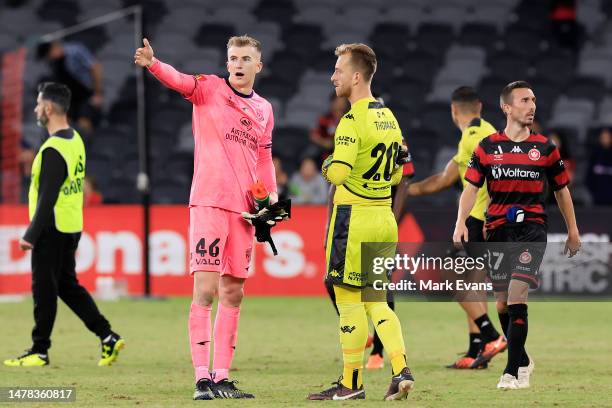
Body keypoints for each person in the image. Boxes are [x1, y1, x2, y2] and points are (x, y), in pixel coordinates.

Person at [135, 35, 281, 400]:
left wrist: (272, 198)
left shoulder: (264, 109)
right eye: (233, 57)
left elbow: (264, 157)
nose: (238, 64)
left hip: (246, 211)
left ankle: (223, 377)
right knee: (206, 290)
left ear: (258, 65)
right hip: (210, 203)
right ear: (227, 61)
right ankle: (202, 379)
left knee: (234, 292)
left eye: (246, 58)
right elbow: (178, 80)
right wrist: (154, 63)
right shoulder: (209, 89)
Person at [453, 81, 581, 389]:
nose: (532, 105)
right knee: (500, 303)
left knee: (516, 294)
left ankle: (512, 372)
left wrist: (573, 230)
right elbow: (470, 189)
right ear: (507, 107)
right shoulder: (487, 147)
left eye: (534, 99)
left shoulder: (546, 149)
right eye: (524, 100)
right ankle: (522, 357)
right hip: (497, 229)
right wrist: (459, 224)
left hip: (532, 229)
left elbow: (562, 192)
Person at [308, 43, 414, 401]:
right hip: (384, 217)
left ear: (356, 76)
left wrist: (327, 164)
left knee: (349, 301)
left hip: (353, 218)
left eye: (338, 70)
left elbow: (337, 174)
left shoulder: (351, 120)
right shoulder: (389, 116)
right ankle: (400, 369)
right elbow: (399, 171)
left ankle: (350, 384)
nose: (333, 76)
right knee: (378, 301)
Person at [4, 82, 123, 368]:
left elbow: (47, 197)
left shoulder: (53, 149)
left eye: (37, 104)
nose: (35, 109)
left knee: (43, 288)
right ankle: (107, 336)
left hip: (51, 228)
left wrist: (31, 234)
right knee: (67, 286)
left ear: (47, 108)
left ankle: (39, 350)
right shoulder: (74, 140)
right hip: (70, 225)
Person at [405, 87, 506, 369]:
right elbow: (443, 179)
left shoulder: (472, 138)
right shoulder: (488, 131)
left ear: (453, 110)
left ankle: (491, 335)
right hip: (490, 218)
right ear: (480, 107)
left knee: (454, 282)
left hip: (478, 221)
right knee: (473, 286)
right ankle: (478, 352)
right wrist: (406, 191)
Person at [36, 40, 104, 133]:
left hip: (86, 94)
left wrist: (98, 93)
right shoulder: (53, 64)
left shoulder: (75, 51)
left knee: (85, 122)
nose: (48, 58)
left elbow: (95, 67)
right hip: (70, 98)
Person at [309, 94, 350, 164]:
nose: (340, 105)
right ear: (332, 103)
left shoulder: (349, 119)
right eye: (337, 102)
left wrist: (332, 144)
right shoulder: (324, 119)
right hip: (325, 155)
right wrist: (323, 142)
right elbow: (314, 136)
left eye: (343, 103)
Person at [585, 127, 612, 205]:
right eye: (603, 137)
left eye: (607, 137)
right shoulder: (595, 154)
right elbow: (589, 176)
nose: (605, 140)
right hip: (598, 197)